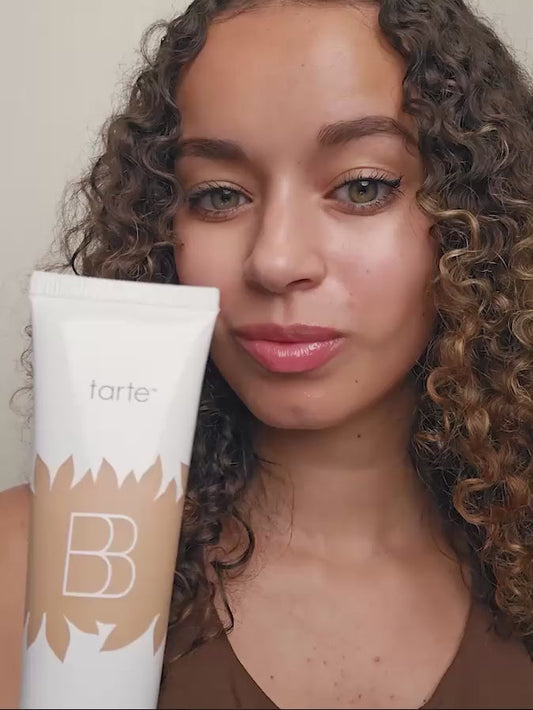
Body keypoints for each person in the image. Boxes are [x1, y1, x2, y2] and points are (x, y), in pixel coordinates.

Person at [2, 0, 533, 707]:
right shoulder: (34, 564)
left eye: (363, 186)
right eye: (220, 195)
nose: (275, 262)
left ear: (479, 222)